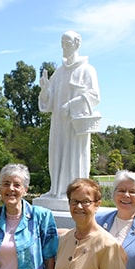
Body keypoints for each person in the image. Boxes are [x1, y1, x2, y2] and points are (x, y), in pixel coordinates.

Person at [38, 31, 100, 201]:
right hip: (58, 123)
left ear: (77, 44)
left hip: (74, 124)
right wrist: (44, 90)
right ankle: (56, 190)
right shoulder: (59, 72)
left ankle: (76, 193)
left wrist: (72, 105)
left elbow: (94, 95)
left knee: (75, 158)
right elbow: (48, 103)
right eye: (62, 44)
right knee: (56, 155)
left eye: (68, 43)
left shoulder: (87, 69)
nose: (64, 47)